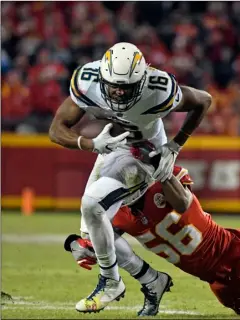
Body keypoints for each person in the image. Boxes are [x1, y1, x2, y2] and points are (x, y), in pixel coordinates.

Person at [65, 145, 240, 316]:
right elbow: (106, 244)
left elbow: (182, 201)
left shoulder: (166, 180)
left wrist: (161, 172)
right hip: (216, 279)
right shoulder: (120, 214)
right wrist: (85, 247)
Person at [49, 42, 212, 313]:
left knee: (92, 205)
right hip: (110, 147)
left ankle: (111, 282)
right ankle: (152, 280)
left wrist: (175, 145)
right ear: (102, 76)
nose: (118, 92)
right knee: (94, 236)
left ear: (142, 79)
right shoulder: (87, 82)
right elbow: (56, 129)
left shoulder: (159, 90)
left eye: (126, 87)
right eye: (114, 85)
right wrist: (90, 144)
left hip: (144, 152)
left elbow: (204, 100)